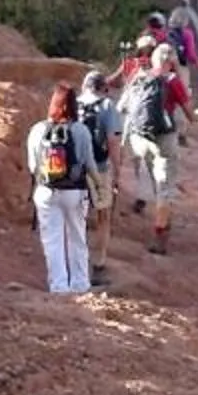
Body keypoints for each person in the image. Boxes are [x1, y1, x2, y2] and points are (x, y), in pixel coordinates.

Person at [24, 82, 99, 294]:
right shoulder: (81, 130)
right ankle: (80, 285)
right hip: (75, 192)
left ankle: (59, 287)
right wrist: (100, 187)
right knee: (77, 238)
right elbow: (89, 164)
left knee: (52, 241)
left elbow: (32, 166)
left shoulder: (37, 130)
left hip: (46, 191)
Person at [118, 40, 191, 256]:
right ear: (171, 61)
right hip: (164, 139)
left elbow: (122, 107)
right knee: (164, 187)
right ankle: (161, 235)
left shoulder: (140, 76)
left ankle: (160, 215)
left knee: (155, 180)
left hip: (141, 138)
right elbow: (189, 112)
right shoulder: (172, 80)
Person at [75, 66, 122, 282]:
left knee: (77, 217)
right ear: (103, 88)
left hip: (74, 171)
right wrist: (117, 170)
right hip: (99, 169)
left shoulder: (73, 103)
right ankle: (99, 263)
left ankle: (76, 263)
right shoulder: (107, 106)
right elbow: (112, 141)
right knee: (103, 216)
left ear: (84, 86)